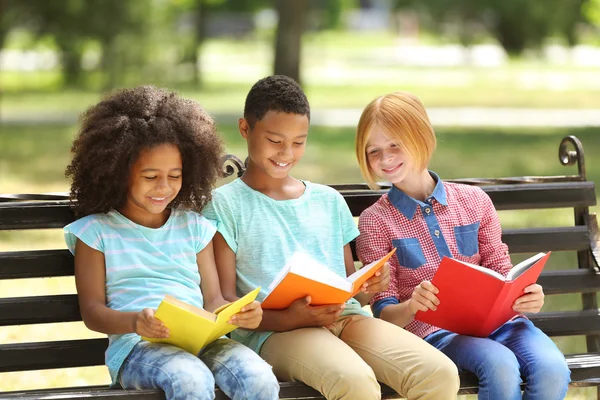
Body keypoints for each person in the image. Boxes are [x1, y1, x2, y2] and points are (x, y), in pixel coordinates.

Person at [203, 75, 460, 400]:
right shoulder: (225, 205)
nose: (287, 152)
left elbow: (348, 290)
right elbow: (226, 304)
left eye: (298, 142)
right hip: (274, 332)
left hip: (345, 318)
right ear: (245, 129)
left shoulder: (327, 201)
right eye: (275, 140)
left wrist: (369, 285)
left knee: (438, 373)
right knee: (354, 382)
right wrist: (290, 318)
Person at [63, 85, 280, 400]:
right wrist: (135, 322)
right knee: (189, 379)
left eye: (175, 176)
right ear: (119, 172)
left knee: (259, 378)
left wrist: (238, 314)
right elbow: (93, 312)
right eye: (150, 177)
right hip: (138, 348)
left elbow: (213, 300)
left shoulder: (194, 227)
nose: (163, 188)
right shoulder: (96, 233)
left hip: (203, 342)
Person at [354, 91, 571, 399]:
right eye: (373, 151)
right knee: (500, 365)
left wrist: (526, 296)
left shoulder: (474, 201)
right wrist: (413, 305)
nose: (385, 158)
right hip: (435, 333)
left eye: (394, 145)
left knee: (552, 369)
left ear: (422, 137)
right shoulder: (375, 221)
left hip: (502, 324)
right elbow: (384, 312)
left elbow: (501, 271)